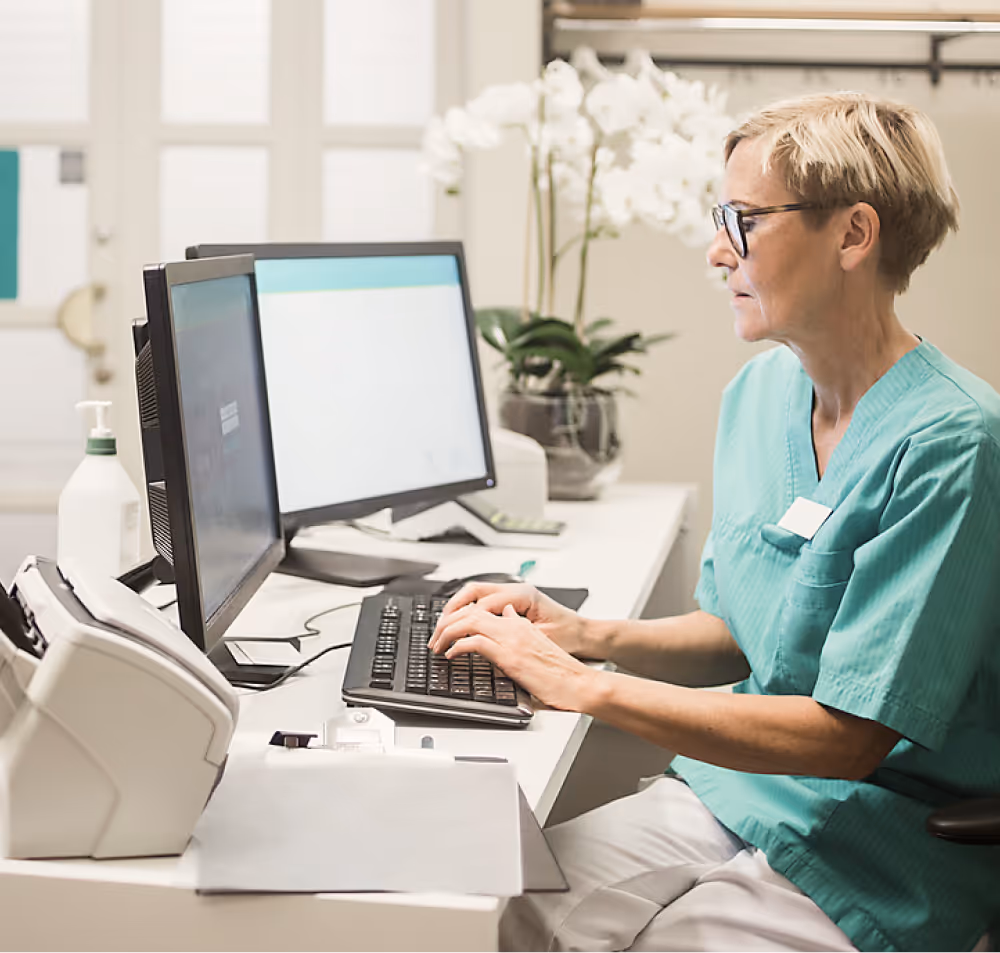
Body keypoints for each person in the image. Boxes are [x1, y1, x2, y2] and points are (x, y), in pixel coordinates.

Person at [429, 91, 1000, 952]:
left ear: (853, 234)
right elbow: (739, 629)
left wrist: (583, 683)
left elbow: (850, 737)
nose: (717, 249)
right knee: (501, 916)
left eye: (745, 220)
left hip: (884, 844)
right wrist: (584, 634)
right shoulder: (760, 395)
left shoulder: (952, 443)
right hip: (743, 789)